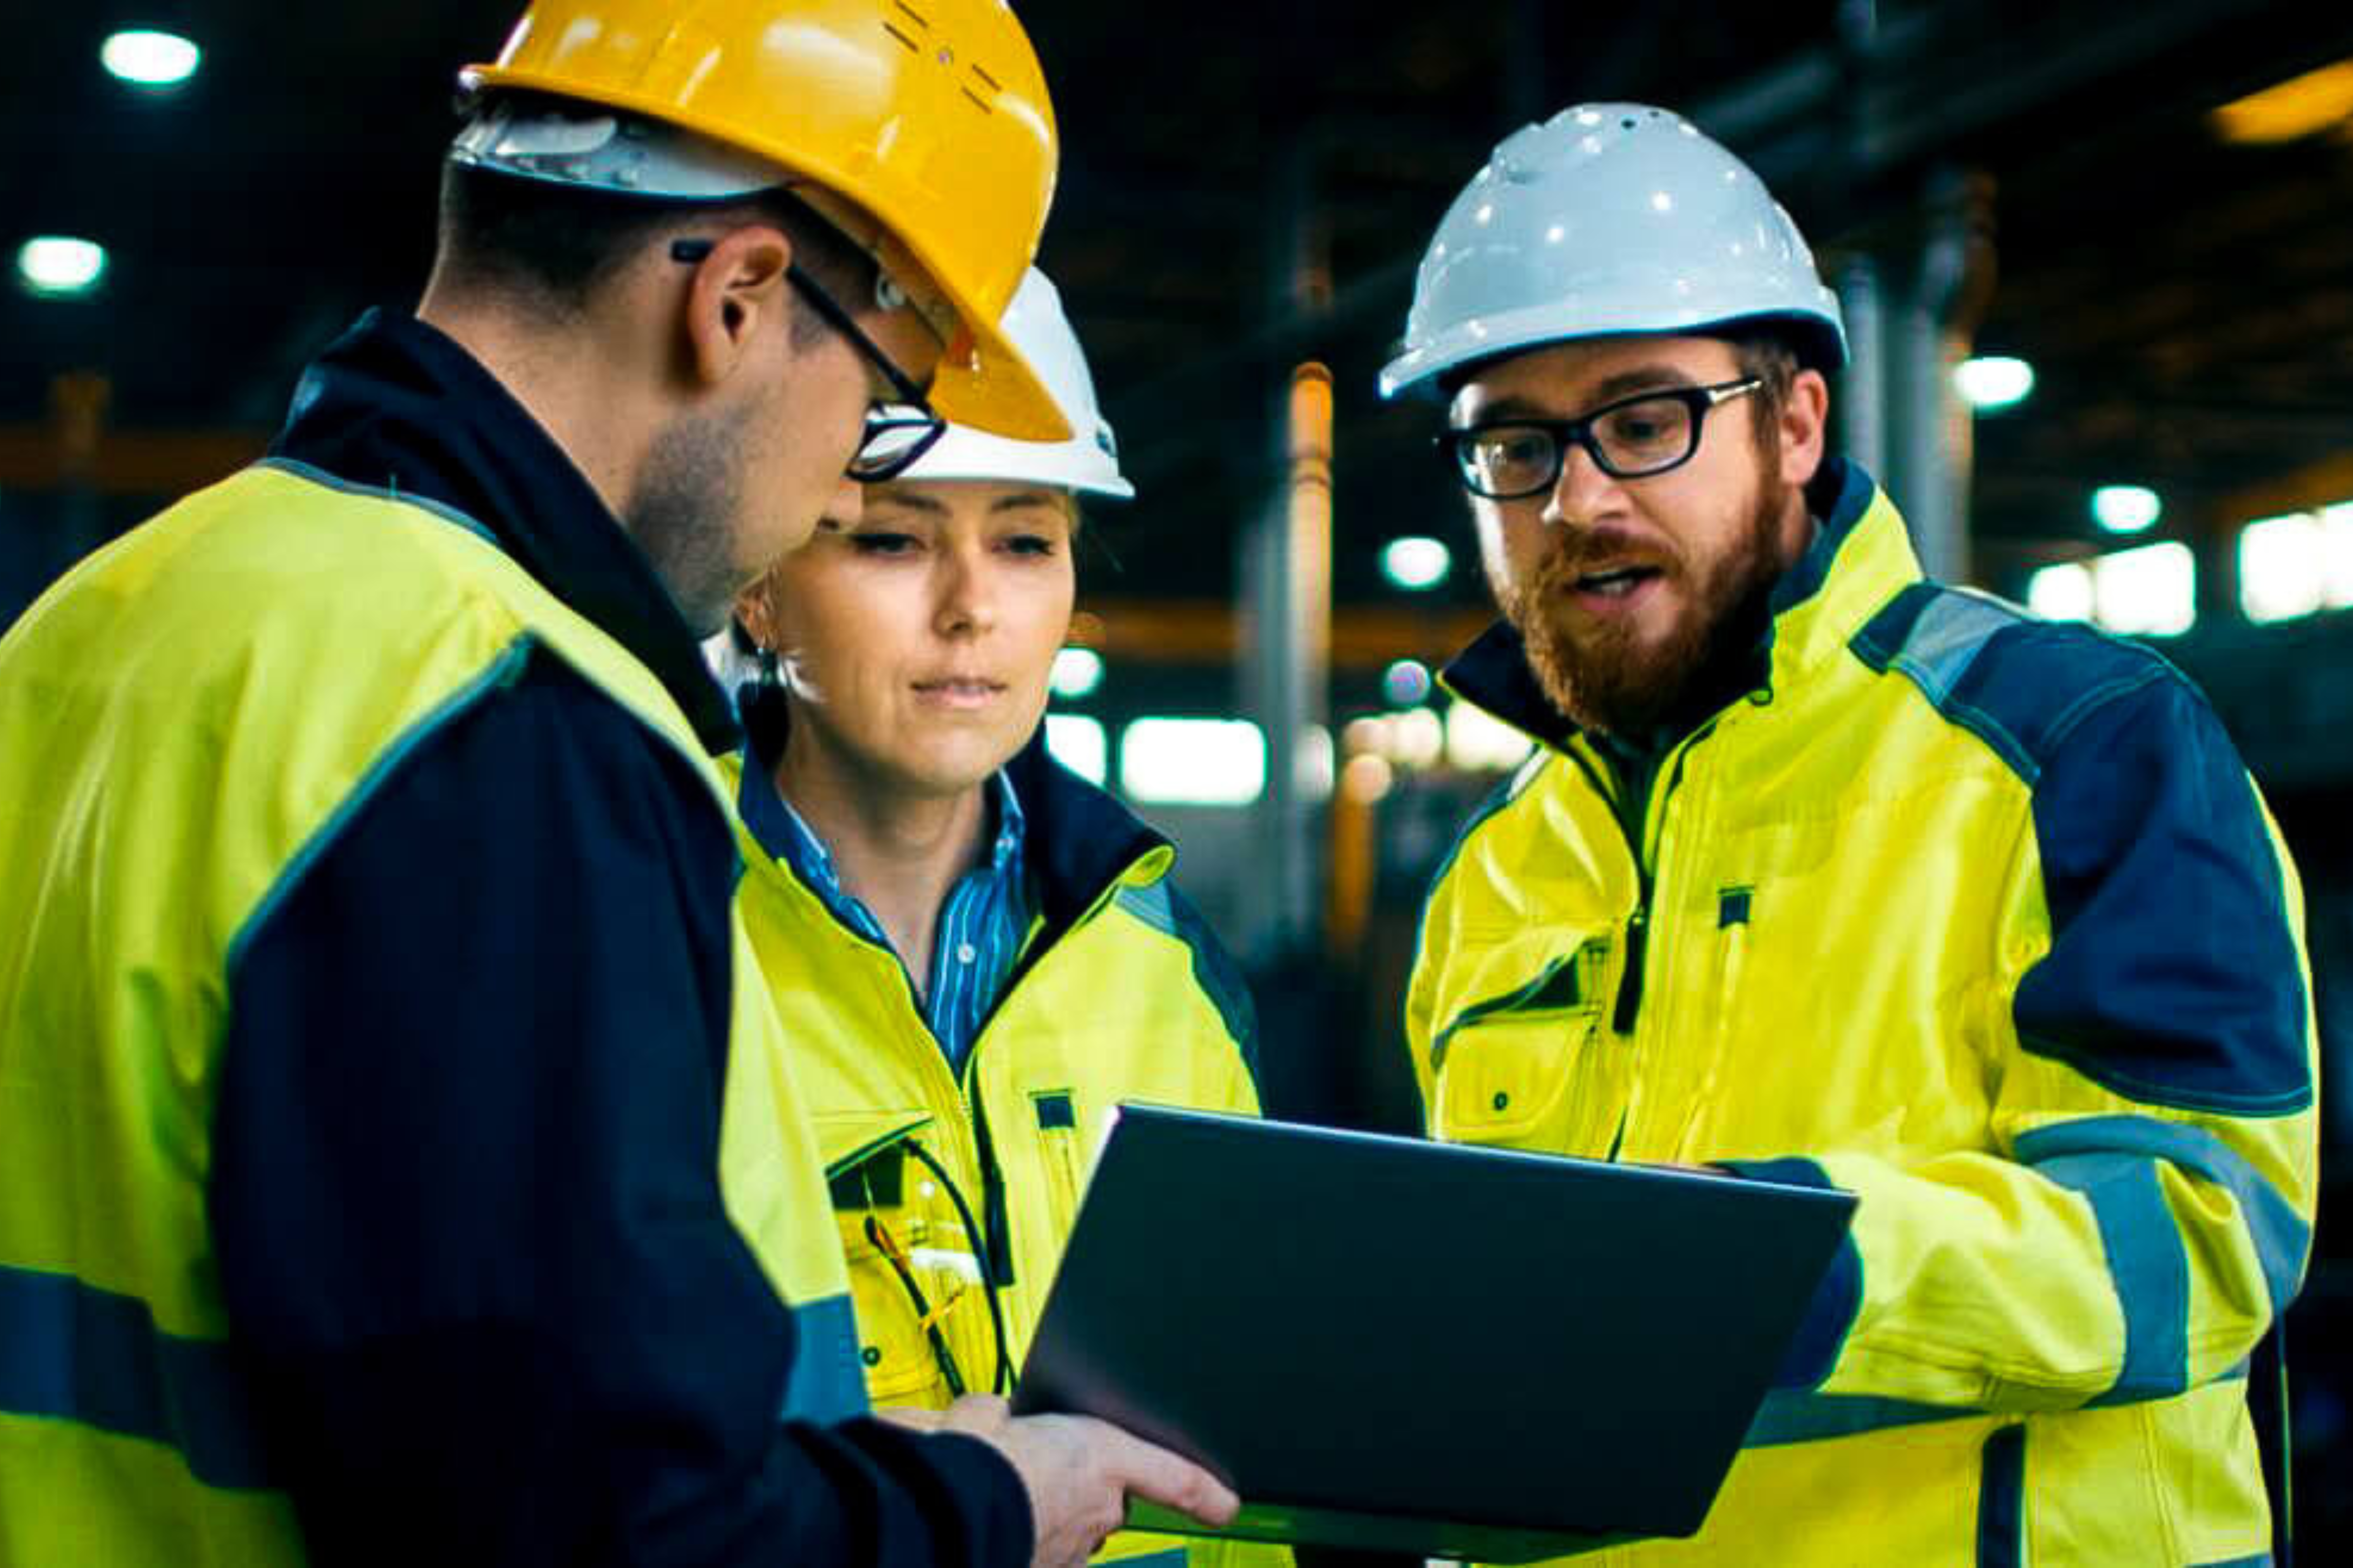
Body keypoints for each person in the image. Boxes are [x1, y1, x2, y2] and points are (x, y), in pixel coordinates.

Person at [0, 3, 1235, 1564]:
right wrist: (983, 1505)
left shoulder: (104, 620)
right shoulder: (502, 716)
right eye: (884, 408)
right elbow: (593, 1524)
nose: (836, 480)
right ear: (737, 299)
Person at [1382, 103, 2319, 1564]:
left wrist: (1770, 1265)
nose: (1578, 499)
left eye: (1643, 421)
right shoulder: (1495, 872)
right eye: (1512, 444)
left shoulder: (2077, 747)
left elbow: (2205, 1241)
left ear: (1798, 421)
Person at [726, 269, 1282, 1567]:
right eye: (893, 540)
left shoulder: (1170, 967)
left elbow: (1242, 1449)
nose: (973, 607)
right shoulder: (651, 928)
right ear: (761, 589)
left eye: (1026, 543)